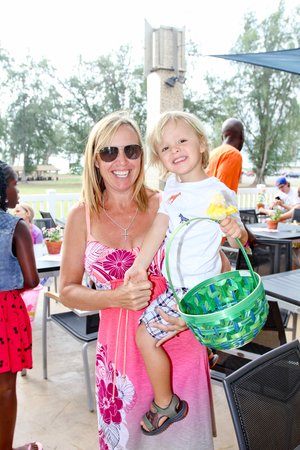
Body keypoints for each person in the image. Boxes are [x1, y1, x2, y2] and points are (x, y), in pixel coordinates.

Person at [59, 111, 217, 449]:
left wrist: (196, 315)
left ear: (143, 156)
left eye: (132, 150)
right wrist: (115, 298)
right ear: (95, 160)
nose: (122, 161)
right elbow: (67, 291)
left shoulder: (170, 200)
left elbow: (216, 259)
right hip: (120, 358)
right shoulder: (81, 215)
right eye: (109, 152)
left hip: (179, 345)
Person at [124, 111, 248, 436]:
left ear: (202, 143)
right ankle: (200, 350)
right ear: (161, 159)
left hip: (197, 292)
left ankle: (167, 404)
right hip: (174, 288)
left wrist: (235, 230)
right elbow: (159, 227)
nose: (175, 150)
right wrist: (138, 266)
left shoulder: (217, 193)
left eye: (182, 141)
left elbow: (240, 241)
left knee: (144, 338)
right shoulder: (172, 187)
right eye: (165, 148)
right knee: (143, 334)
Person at [0, 161, 43, 450]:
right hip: (5, 312)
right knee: (4, 389)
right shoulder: (16, 227)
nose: (17, 191)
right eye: (15, 184)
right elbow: (31, 278)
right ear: (3, 189)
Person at [206, 118, 244, 192]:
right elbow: (224, 193)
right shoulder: (233, 154)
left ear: (222, 137)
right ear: (242, 136)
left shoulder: (213, 153)